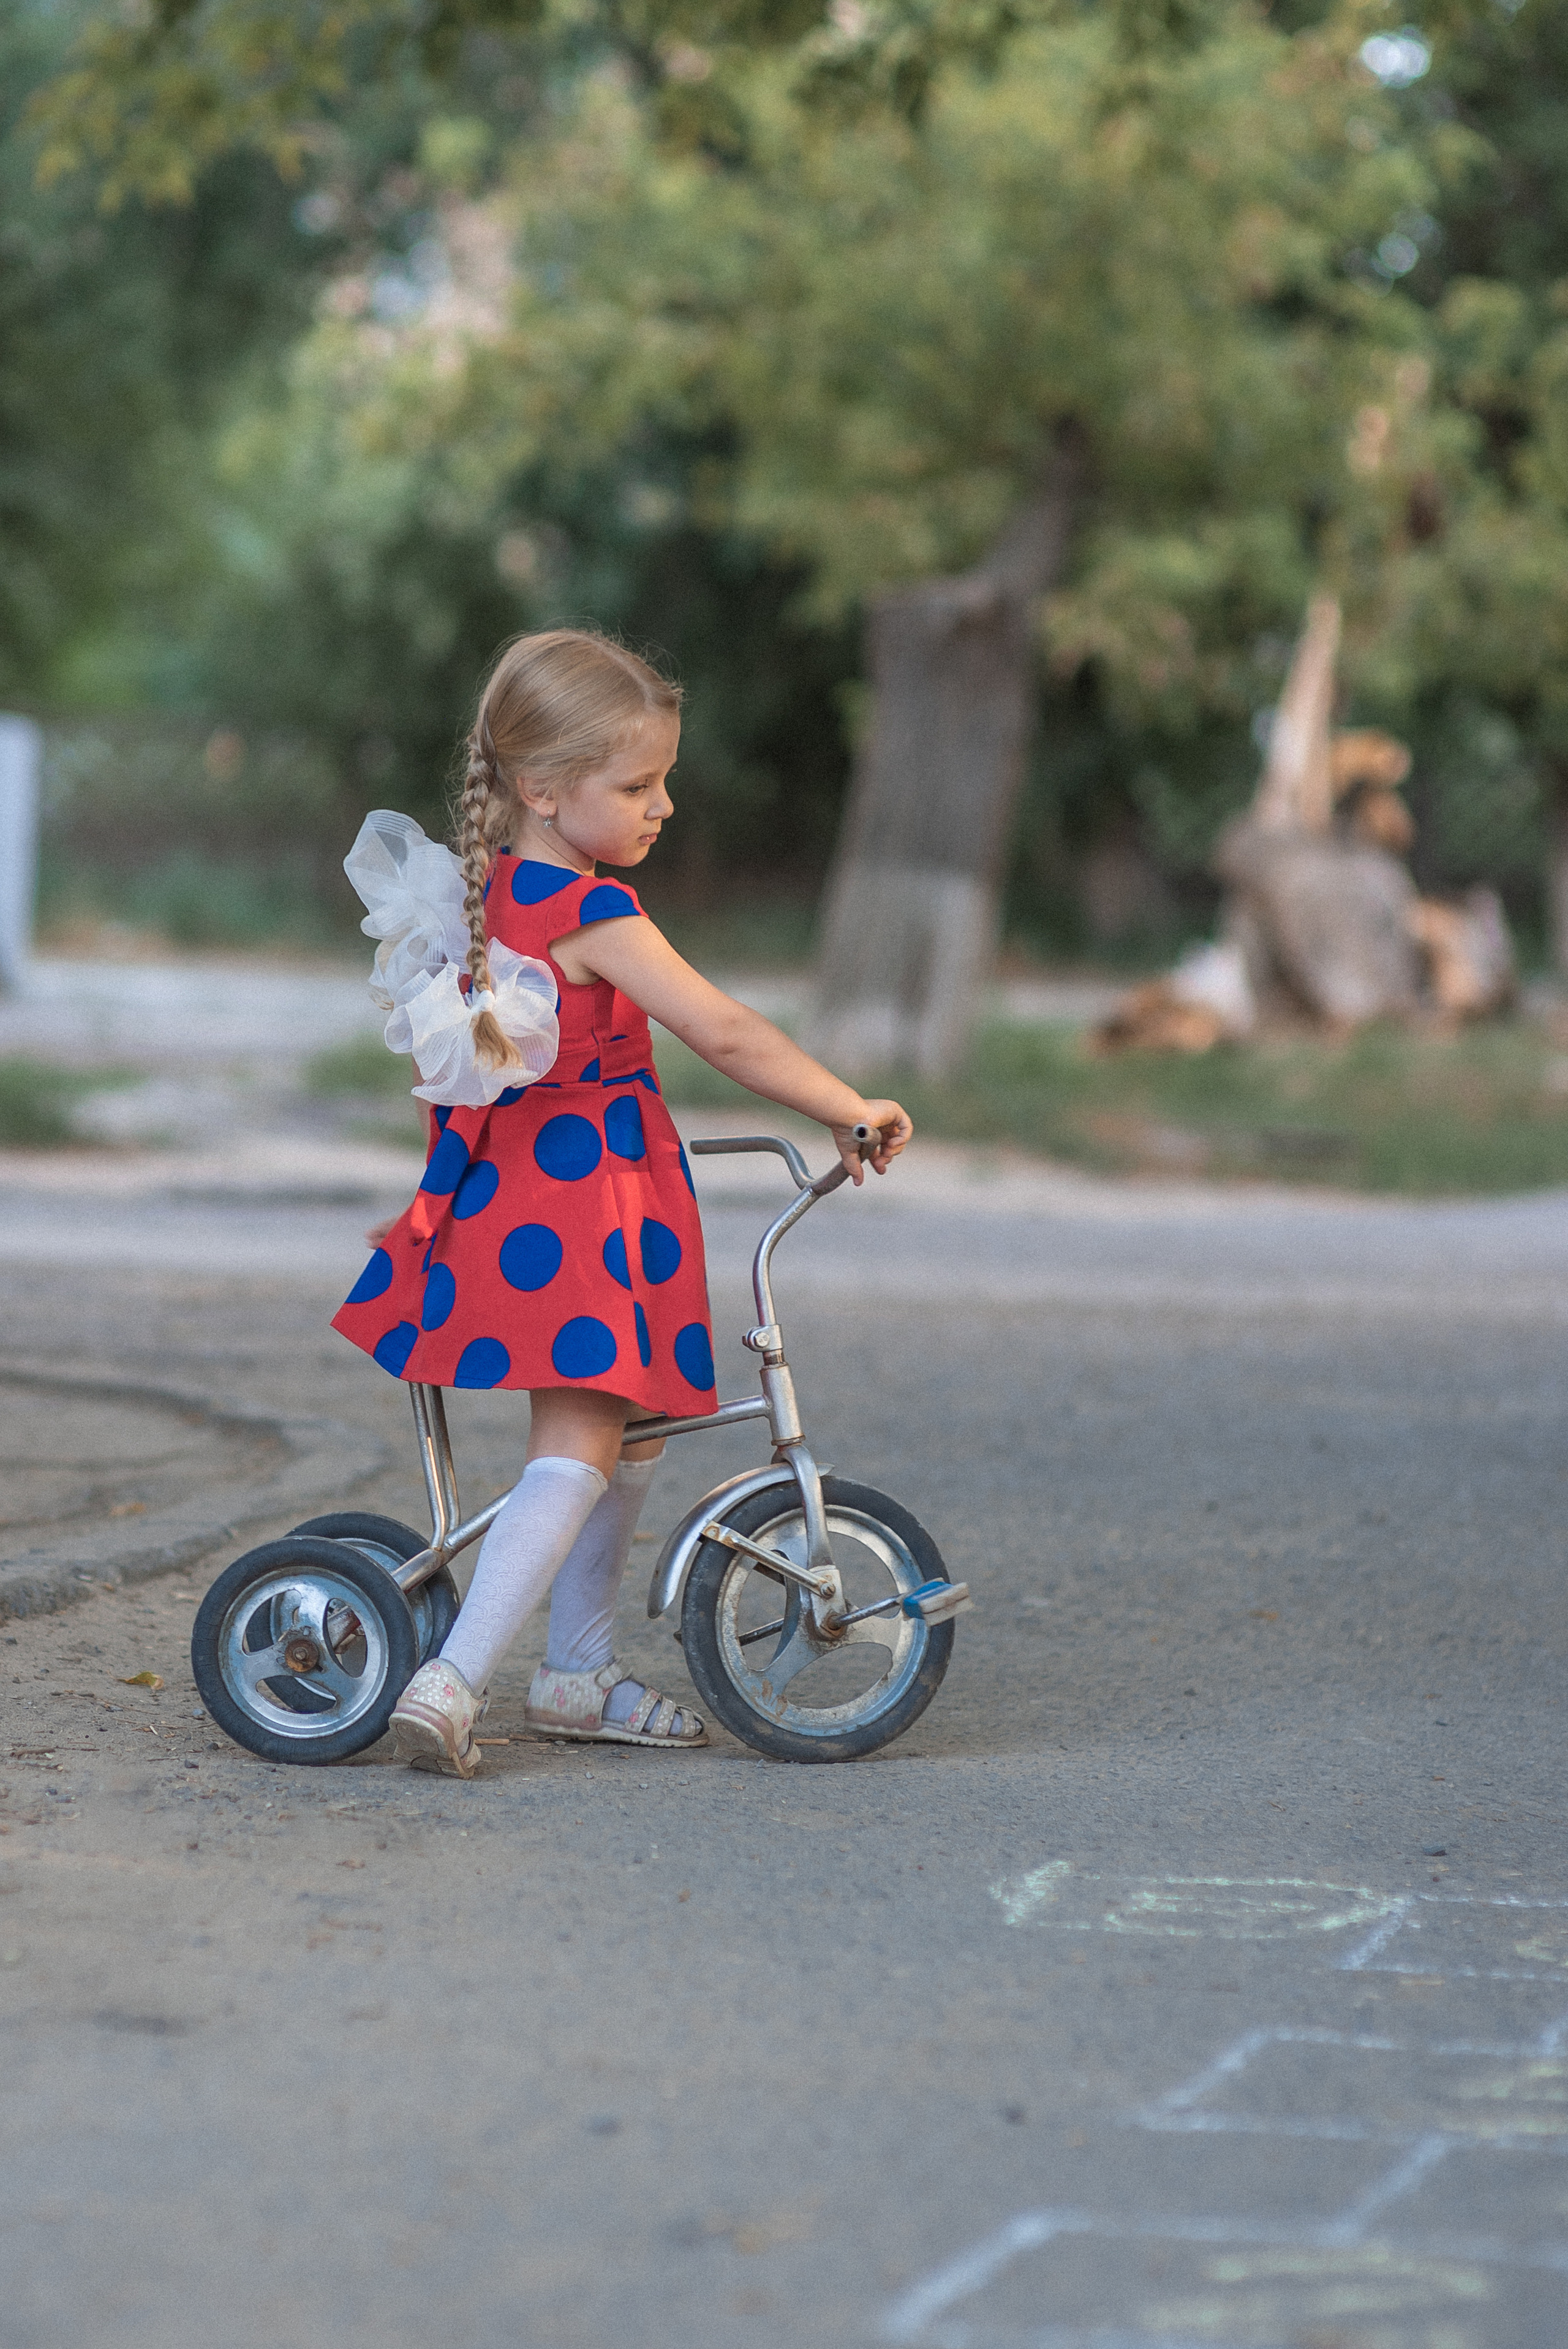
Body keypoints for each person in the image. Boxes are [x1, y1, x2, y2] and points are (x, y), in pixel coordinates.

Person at [332, 628, 911, 1776]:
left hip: (540, 1203)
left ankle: (577, 1671)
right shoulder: (587, 911)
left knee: (631, 1423)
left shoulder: (487, 898)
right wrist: (845, 1105)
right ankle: (454, 1679)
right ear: (544, 789)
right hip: (585, 1212)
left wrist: (432, 1202)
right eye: (638, 784)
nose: (665, 805)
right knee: (586, 1432)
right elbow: (721, 1028)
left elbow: (449, 1077)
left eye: (664, 780)